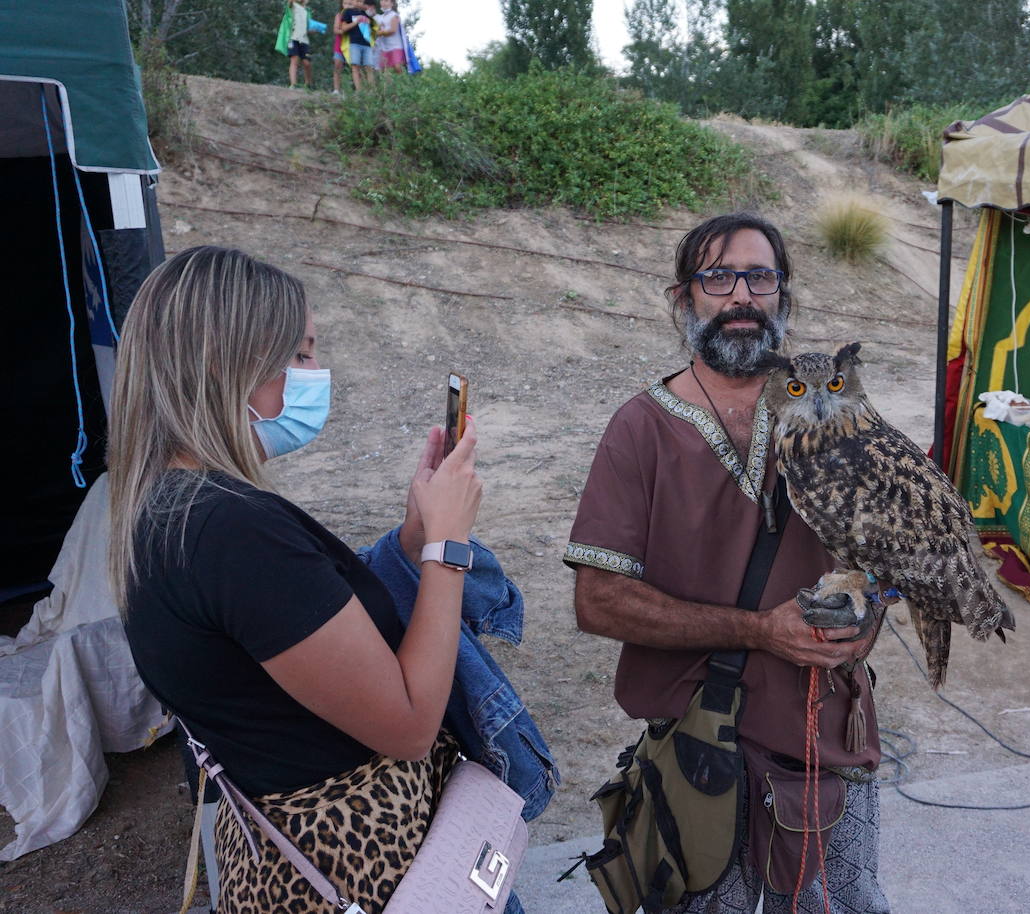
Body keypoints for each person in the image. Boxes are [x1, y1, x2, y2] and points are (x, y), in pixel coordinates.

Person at [109, 246, 493, 913]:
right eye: (303, 355)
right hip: (353, 864)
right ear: (222, 362)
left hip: (280, 848)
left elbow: (303, 632)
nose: (317, 376)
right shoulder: (228, 530)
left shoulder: (170, 509)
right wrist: (447, 547)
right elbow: (407, 725)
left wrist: (412, 537)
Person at [567, 213, 889, 912]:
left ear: (784, 297)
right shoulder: (640, 429)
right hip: (700, 757)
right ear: (685, 300)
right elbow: (598, 600)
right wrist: (758, 630)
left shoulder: (835, 417)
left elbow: (880, 560)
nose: (741, 294)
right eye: (718, 276)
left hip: (823, 743)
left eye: (760, 276)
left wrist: (867, 620)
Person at [338, 0, 376, 90]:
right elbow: (343, 28)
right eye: (357, 1)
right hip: (354, 43)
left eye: (361, 1)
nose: (359, 3)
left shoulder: (366, 14)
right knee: (355, 67)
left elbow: (373, 26)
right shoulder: (348, 12)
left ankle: (372, 91)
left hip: (367, 44)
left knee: (369, 67)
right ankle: (359, 91)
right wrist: (355, 22)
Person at [286, 0, 312, 88]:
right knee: (294, 60)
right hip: (293, 38)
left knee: (307, 63)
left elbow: (308, 27)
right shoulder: (293, 5)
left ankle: (308, 84)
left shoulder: (308, 11)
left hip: (304, 40)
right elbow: (289, 3)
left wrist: (313, 30)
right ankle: (293, 84)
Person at [373, 0, 405, 72]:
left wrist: (380, 33)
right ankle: (388, 83)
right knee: (385, 69)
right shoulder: (381, 17)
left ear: (392, 3)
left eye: (386, 1)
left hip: (395, 46)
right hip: (384, 47)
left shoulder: (394, 15)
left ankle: (403, 81)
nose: (383, 2)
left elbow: (393, 30)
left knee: (397, 66)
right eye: (382, 1)